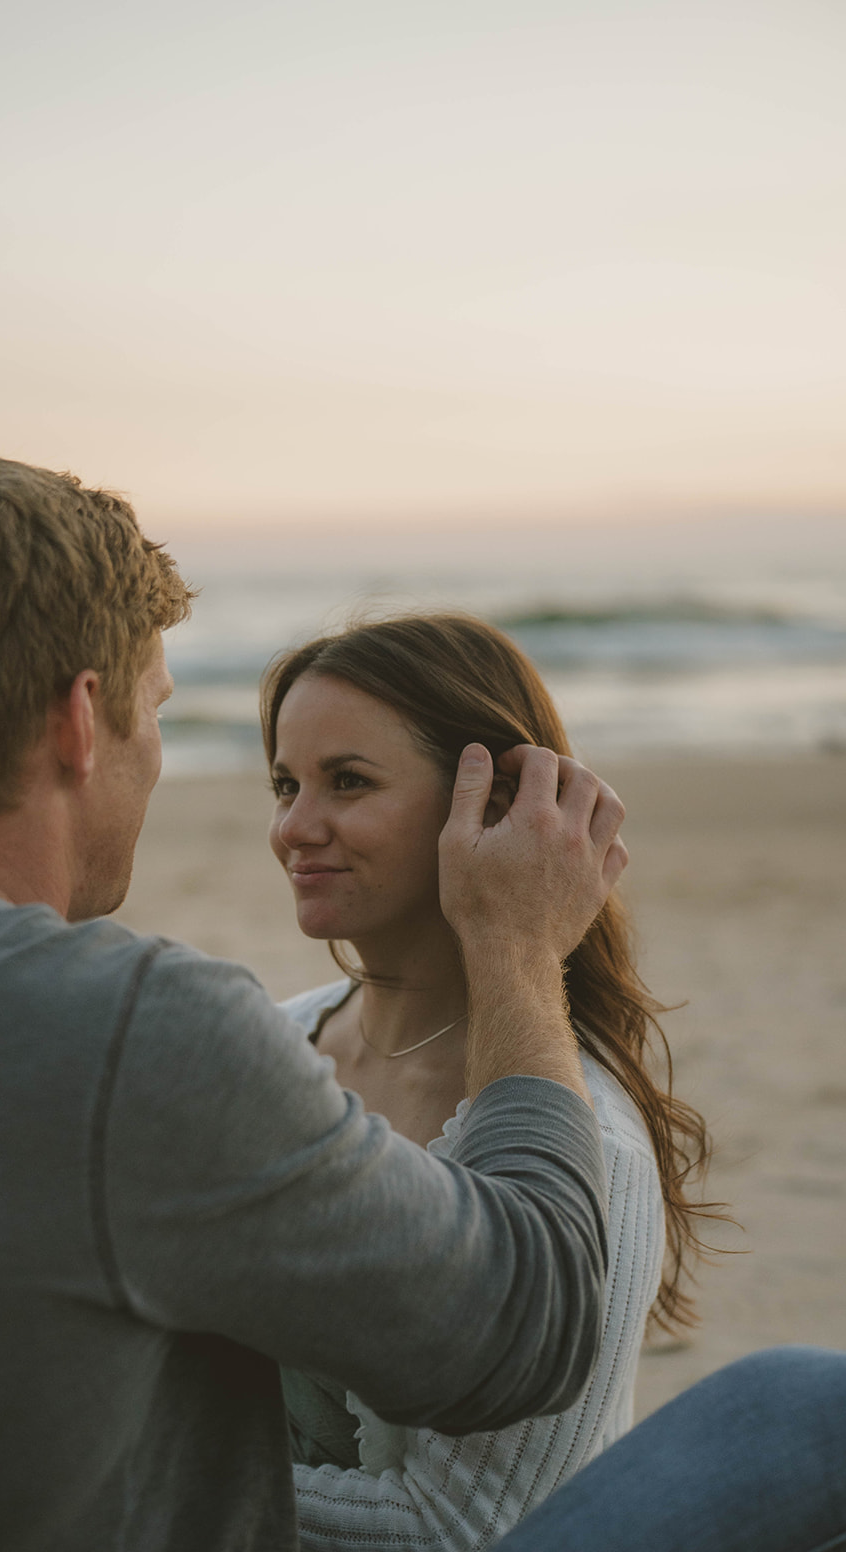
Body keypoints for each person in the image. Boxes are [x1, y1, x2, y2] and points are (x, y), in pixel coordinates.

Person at [0, 449, 622, 1552]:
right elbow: (531, 1320)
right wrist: (516, 950)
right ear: (80, 723)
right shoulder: (129, 1029)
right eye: (155, 711)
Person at [262, 614, 715, 1547]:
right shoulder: (270, 1042)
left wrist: (126, 1485)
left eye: (347, 782)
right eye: (284, 784)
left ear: (495, 808)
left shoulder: (593, 1150)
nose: (293, 829)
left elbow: (467, 1530)